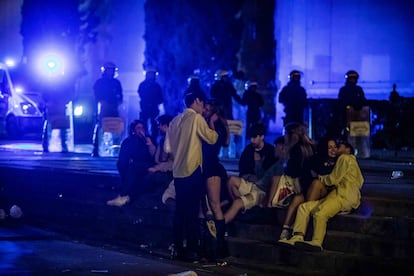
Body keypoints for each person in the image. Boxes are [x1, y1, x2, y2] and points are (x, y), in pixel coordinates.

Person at [278, 141, 364, 251]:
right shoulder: (350, 162)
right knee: (304, 207)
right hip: (338, 195)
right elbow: (360, 181)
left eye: (339, 147)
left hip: (343, 196)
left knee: (320, 213)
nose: (336, 149)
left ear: (347, 149)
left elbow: (332, 179)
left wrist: (320, 178)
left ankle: (317, 242)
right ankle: (297, 236)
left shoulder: (345, 158)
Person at [164, 88, 218, 262]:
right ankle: (193, 250)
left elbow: (168, 149)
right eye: (202, 104)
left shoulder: (174, 121)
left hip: (178, 172)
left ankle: (178, 248)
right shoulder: (196, 118)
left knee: (180, 212)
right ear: (196, 101)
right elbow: (211, 138)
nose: (203, 107)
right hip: (192, 171)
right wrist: (212, 124)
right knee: (193, 212)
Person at [277, 136, 337, 240]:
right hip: (310, 191)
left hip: (325, 193)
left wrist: (319, 176)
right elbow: (307, 175)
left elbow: (329, 179)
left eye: (335, 147)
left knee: (317, 183)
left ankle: (300, 222)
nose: (333, 150)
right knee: (297, 199)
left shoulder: (337, 162)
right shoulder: (315, 159)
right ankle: (285, 230)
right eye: (330, 148)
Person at [266, 122, 315, 240]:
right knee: (293, 199)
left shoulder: (296, 149)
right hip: (306, 184)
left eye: (285, 134)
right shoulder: (308, 147)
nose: (284, 137)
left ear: (290, 135)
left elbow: (293, 171)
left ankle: (270, 206)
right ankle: (285, 230)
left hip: (302, 186)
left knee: (277, 179)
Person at [223, 136, 286, 224]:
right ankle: (242, 207)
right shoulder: (278, 162)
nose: (275, 149)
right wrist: (258, 163)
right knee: (231, 180)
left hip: (261, 192)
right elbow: (264, 177)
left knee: (237, 203)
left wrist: (268, 202)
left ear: (282, 148)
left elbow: (276, 182)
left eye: (276, 146)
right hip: (256, 185)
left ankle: (218, 228)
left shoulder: (282, 165)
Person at [199, 99, 230, 261]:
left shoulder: (214, 126)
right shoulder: (205, 124)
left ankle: (220, 246)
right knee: (204, 207)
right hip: (203, 168)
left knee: (214, 205)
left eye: (207, 110)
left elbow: (215, 143)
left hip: (211, 168)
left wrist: (211, 123)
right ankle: (206, 247)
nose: (204, 111)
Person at [106, 120, 155, 207]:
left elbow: (153, 156)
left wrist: (150, 144)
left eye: (142, 128)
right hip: (136, 163)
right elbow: (124, 156)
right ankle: (126, 193)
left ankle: (123, 195)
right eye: (138, 128)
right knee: (124, 164)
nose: (141, 130)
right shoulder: (129, 141)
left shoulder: (148, 139)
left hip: (148, 164)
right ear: (133, 130)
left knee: (134, 167)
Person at [337, 70, 368, 136]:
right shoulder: (343, 90)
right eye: (351, 78)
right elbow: (341, 102)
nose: (352, 80)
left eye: (354, 78)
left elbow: (363, 100)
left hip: (359, 117)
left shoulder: (359, 89)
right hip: (346, 116)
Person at [138, 68, 164, 143]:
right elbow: (141, 94)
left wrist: (155, 102)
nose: (151, 76)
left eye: (152, 74)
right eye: (150, 74)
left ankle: (154, 140)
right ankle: (143, 139)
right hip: (145, 108)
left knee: (155, 125)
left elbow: (160, 97)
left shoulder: (157, 86)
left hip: (154, 109)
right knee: (144, 124)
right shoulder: (143, 85)